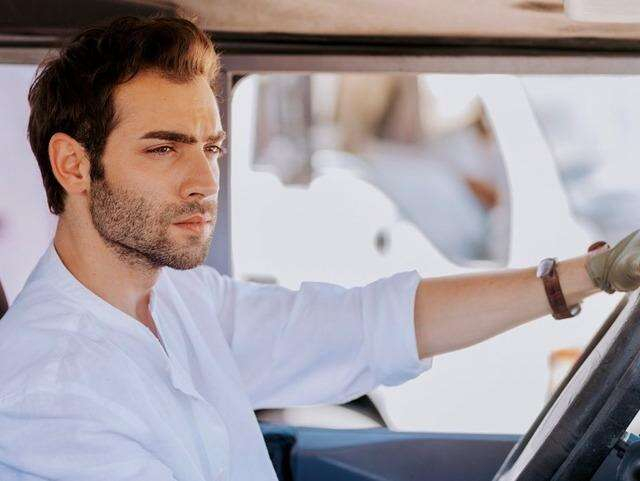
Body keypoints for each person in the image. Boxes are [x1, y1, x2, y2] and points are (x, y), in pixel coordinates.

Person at [0, 16, 638, 481]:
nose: (204, 181)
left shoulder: (180, 301)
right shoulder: (48, 394)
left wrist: (592, 273)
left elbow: (368, 326)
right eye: (163, 148)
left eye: (211, 148)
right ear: (74, 165)